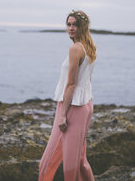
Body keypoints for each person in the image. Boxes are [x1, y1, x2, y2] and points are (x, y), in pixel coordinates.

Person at [39, 10, 97, 181]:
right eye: (69, 24)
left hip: (72, 106)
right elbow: (88, 79)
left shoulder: (75, 48)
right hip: (86, 105)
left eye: (75, 25)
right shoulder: (91, 47)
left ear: (83, 26)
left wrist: (63, 115)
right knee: (79, 159)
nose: (71, 28)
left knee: (48, 161)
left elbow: (71, 84)